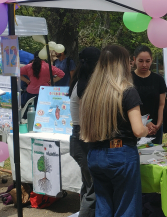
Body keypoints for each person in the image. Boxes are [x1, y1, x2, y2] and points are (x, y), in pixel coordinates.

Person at [80, 44, 149, 217]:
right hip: (121, 155)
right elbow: (138, 130)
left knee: (103, 208)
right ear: (122, 64)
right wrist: (146, 129)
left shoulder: (91, 92)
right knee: (127, 208)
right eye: (129, 61)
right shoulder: (127, 91)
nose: (131, 65)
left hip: (95, 155)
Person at [68, 47, 100, 217]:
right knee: (94, 190)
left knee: (87, 185)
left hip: (79, 138)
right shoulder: (85, 86)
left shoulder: (79, 81)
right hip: (84, 139)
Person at [132, 45, 167, 144]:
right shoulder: (128, 79)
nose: (144, 65)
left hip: (155, 128)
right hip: (135, 127)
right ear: (134, 60)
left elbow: (162, 104)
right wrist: (145, 122)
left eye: (147, 61)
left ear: (151, 60)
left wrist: (159, 124)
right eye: (140, 61)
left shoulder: (158, 79)